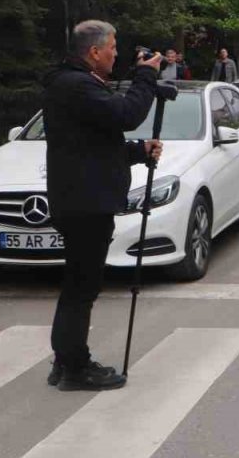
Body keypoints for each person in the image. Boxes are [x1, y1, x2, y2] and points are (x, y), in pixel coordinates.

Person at [43, 20, 163, 391]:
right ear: (94, 52)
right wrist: (146, 77)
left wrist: (136, 152)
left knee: (76, 285)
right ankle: (76, 368)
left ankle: (65, 361)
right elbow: (126, 115)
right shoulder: (76, 85)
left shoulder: (72, 83)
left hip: (79, 197)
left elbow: (93, 144)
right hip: (86, 203)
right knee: (82, 288)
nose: (116, 54)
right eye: (112, 47)